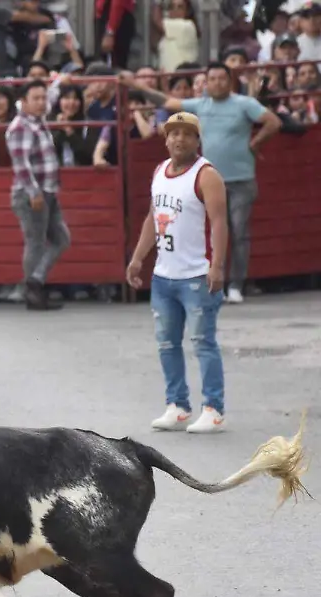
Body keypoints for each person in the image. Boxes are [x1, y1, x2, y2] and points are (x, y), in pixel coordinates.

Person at [121, 61, 281, 304]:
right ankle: (215, 280)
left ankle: (236, 284)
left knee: (237, 231)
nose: (217, 83)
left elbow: (273, 122)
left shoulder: (244, 103)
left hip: (240, 179)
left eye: (222, 78)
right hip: (208, 180)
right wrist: (134, 85)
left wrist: (256, 143)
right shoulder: (201, 105)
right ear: (206, 83)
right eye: (212, 79)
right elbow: (166, 102)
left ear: (230, 81)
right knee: (215, 229)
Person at [127, 111, 230, 433]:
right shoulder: (160, 171)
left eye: (187, 133)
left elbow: (219, 222)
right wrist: (138, 258)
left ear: (197, 140)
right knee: (167, 344)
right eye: (174, 133)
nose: (179, 139)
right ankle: (177, 405)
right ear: (166, 138)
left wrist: (217, 266)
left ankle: (213, 408)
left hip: (196, 274)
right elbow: (152, 218)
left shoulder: (206, 174)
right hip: (164, 275)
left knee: (203, 342)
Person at [6, 78, 71, 311]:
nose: (42, 102)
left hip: (48, 190)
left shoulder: (37, 119)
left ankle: (34, 281)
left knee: (61, 239)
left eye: (43, 98)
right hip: (33, 192)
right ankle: (33, 292)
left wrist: (61, 80)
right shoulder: (20, 127)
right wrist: (34, 193)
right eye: (36, 98)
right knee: (36, 243)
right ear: (23, 102)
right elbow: (21, 166)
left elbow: (51, 95)